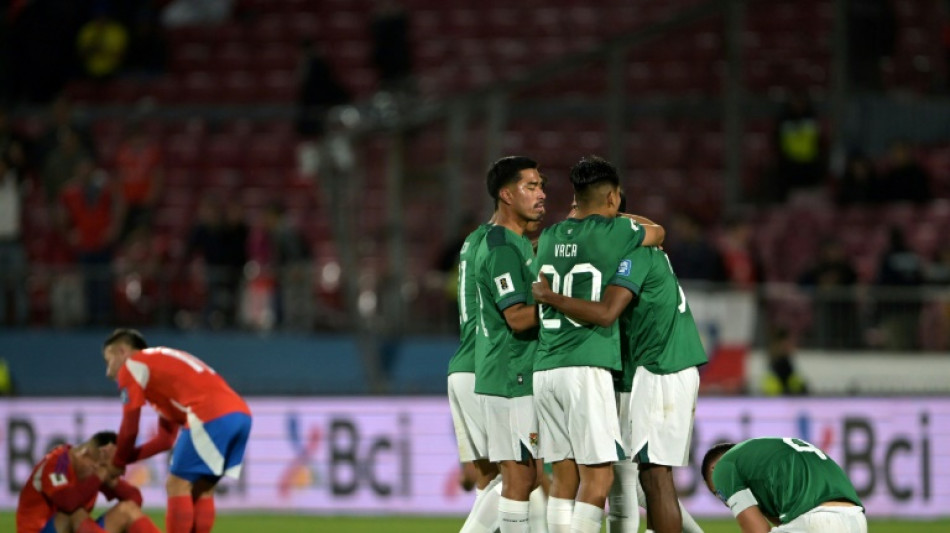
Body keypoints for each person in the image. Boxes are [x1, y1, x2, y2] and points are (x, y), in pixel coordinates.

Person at [534, 181, 703, 533]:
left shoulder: (634, 253)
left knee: (654, 477)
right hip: (638, 370)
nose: (573, 218)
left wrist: (551, 298)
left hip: (662, 366)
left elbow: (608, 311)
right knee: (633, 481)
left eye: (580, 211)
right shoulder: (619, 245)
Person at [102, 329, 252, 533]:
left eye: (108, 360)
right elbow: (165, 440)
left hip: (211, 414)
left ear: (122, 351)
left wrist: (117, 462)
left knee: (176, 484)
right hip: (240, 415)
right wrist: (125, 459)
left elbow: (130, 428)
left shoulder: (131, 366)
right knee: (202, 489)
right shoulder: (158, 368)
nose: (108, 372)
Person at [471, 156, 546, 533]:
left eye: (541, 186)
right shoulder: (502, 248)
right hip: (508, 375)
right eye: (530, 187)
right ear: (506, 194)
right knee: (519, 478)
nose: (541, 194)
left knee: (524, 477)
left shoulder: (517, 243)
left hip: (514, 374)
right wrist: (566, 306)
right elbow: (517, 318)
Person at [701, 437, 866, 533]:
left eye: (719, 493)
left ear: (714, 470)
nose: (725, 502)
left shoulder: (723, 468)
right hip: (856, 520)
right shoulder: (763, 460)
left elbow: (757, 530)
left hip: (814, 521)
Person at [16, 430, 161, 533]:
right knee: (73, 513)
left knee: (127, 510)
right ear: (87, 456)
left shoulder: (95, 472)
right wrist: (101, 474)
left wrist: (110, 480)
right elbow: (67, 502)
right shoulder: (58, 463)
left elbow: (135, 499)